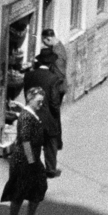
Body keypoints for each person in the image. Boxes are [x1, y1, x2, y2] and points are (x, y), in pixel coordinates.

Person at [2, 84, 48, 215]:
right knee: (19, 191)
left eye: (42, 101)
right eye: (38, 101)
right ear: (30, 99)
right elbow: (25, 140)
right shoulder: (26, 117)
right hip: (24, 160)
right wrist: (32, 162)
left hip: (32, 159)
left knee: (40, 186)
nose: (41, 104)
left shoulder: (30, 113)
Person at [23, 43, 65, 177]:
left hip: (32, 113)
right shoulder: (53, 79)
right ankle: (50, 169)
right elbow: (54, 101)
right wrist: (56, 115)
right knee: (50, 143)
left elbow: (26, 94)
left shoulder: (28, 76)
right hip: (48, 116)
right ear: (51, 64)